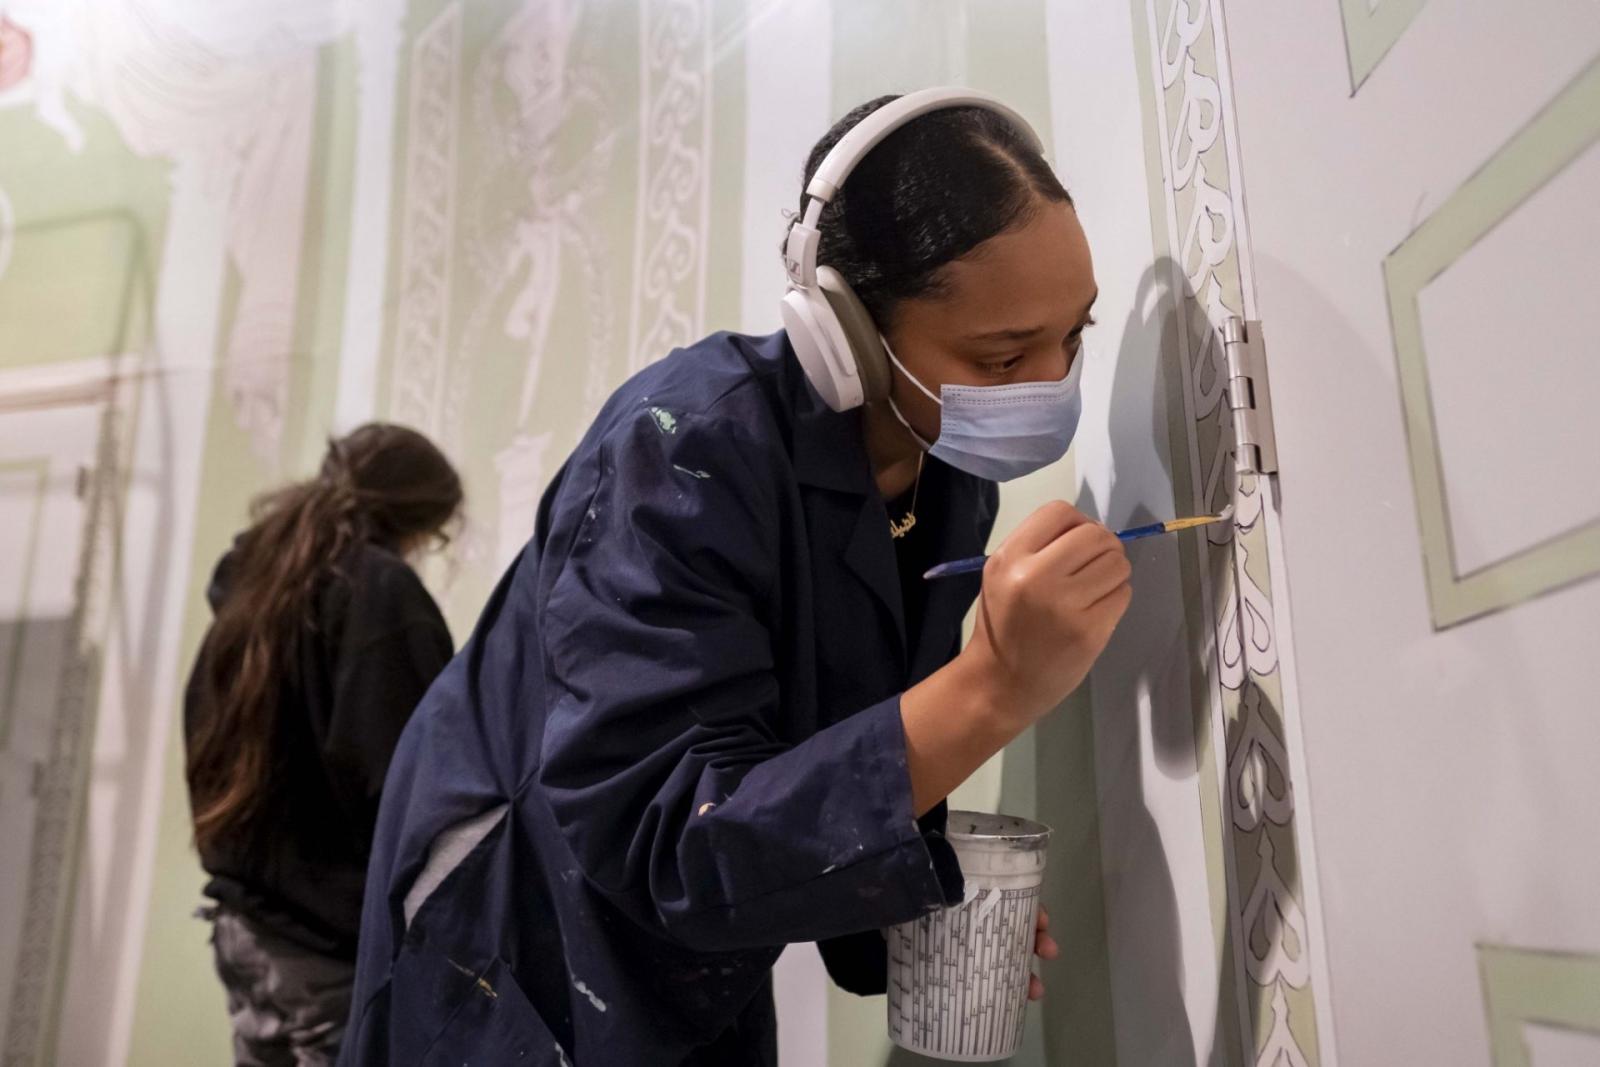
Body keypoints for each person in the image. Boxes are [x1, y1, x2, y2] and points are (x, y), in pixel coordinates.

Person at [341, 89, 1131, 1066]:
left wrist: (911, 910)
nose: (1050, 385)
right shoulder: (681, 451)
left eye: (1073, 337)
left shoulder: (949, 475)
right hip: (513, 947)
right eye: (1003, 355)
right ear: (841, 326)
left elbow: (832, 745)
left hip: (695, 958)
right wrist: (999, 682)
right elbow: (676, 836)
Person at [184, 423, 463, 1066]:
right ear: (421, 524)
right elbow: (408, 788)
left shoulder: (255, 591)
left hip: (245, 929)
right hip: (325, 952)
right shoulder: (380, 595)